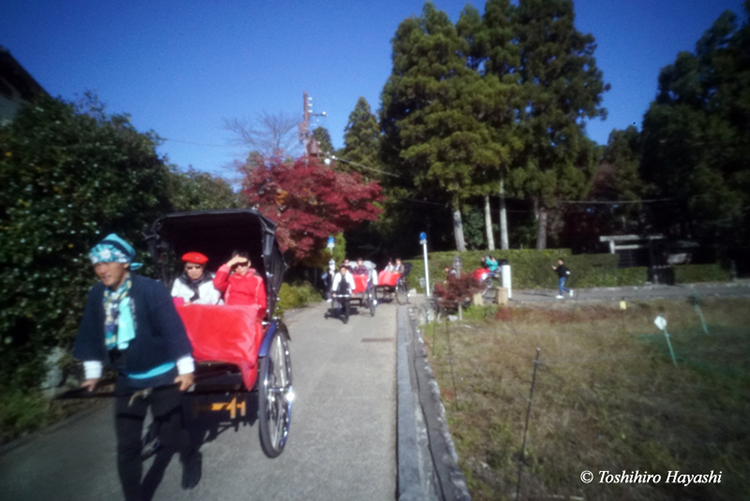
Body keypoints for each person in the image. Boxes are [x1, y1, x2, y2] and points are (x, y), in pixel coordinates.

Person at [73, 234, 201, 500]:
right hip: (127, 377)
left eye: (108, 263)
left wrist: (186, 368)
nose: (102, 270)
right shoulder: (98, 294)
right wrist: (92, 374)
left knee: (171, 437)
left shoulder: (150, 290)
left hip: (162, 374)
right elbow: (91, 333)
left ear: (125, 263)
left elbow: (173, 330)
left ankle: (190, 455)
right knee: (127, 446)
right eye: (97, 265)